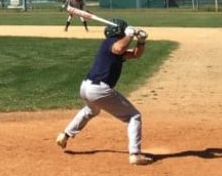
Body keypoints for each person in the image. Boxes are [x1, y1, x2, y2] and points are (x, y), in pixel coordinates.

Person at [55, 18, 153, 165]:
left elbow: (135, 55)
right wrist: (130, 35)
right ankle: (135, 154)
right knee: (134, 116)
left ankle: (65, 134)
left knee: (91, 110)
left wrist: (141, 41)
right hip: (99, 89)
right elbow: (119, 48)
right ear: (120, 31)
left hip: (86, 87)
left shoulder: (112, 45)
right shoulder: (111, 43)